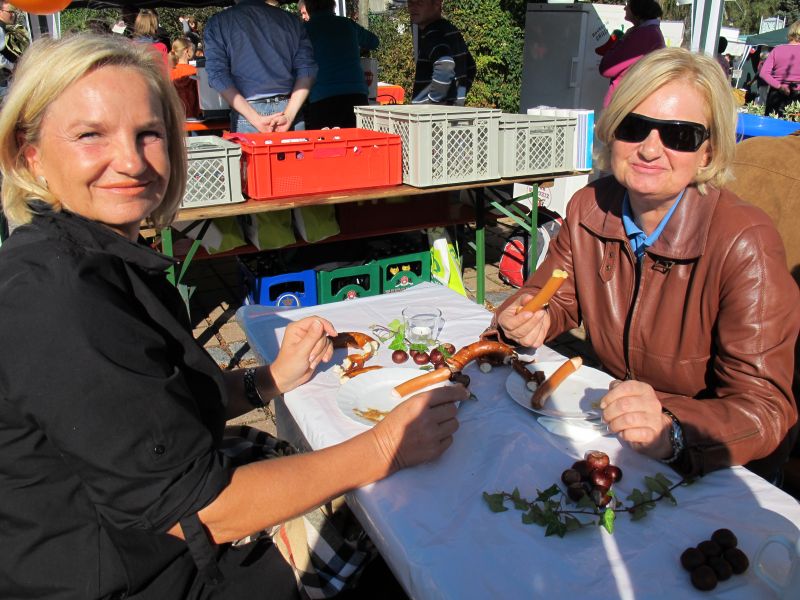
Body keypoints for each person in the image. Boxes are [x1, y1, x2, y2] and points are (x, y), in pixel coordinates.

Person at [0, 34, 466, 598]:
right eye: (89, 135)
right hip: (133, 574)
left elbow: (160, 408)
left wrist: (270, 378)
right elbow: (199, 509)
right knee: (398, 530)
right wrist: (385, 447)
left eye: (148, 133)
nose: (130, 161)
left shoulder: (101, 256)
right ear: (30, 155)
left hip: (144, 535)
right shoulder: (57, 295)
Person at [490, 48, 799, 482]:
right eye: (634, 127)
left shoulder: (746, 243)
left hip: (710, 467)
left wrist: (673, 431)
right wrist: (525, 316)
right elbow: (552, 298)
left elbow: (764, 409)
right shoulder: (589, 207)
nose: (650, 150)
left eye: (680, 135)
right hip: (613, 437)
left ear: (707, 153)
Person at [204, 0, 317, 133]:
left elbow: (218, 76)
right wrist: (289, 115)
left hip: (248, 114)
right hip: (290, 109)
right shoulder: (291, 21)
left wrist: (256, 119)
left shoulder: (218, 23)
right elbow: (307, 70)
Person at [303, 0, 379, 129]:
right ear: (333, 5)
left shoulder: (305, 30)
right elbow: (374, 42)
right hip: (356, 94)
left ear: (309, 7)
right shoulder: (347, 24)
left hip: (322, 97)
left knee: (325, 141)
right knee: (357, 139)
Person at [598, 0, 665, 108]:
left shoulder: (642, 34)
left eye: (628, 5)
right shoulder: (652, 32)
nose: (625, 8)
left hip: (623, 103)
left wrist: (622, 40)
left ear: (637, 11)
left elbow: (606, 68)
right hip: (632, 102)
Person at [408, 0, 476, 106]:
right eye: (410, 2)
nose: (413, 7)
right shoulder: (452, 30)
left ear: (437, 3)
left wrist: (434, 102)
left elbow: (445, 65)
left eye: (419, 2)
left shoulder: (433, 34)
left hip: (427, 114)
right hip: (452, 111)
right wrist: (458, 97)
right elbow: (471, 67)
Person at [759, 20, 800, 118]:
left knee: (772, 125)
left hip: (776, 94)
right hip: (797, 96)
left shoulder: (777, 50)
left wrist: (779, 86)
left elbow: (763, 73)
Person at [0, 3, 27, 99]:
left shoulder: (6, 28)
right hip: (4, 81)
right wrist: (13, 67)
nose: (13, 15)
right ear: (0, 12)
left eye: (14, 12)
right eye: (10, 12)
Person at [170, 37, 200, 119]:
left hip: (175, 117)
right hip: (193, 116)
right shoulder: (195, 71)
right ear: (187, 51)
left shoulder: (169, 72)